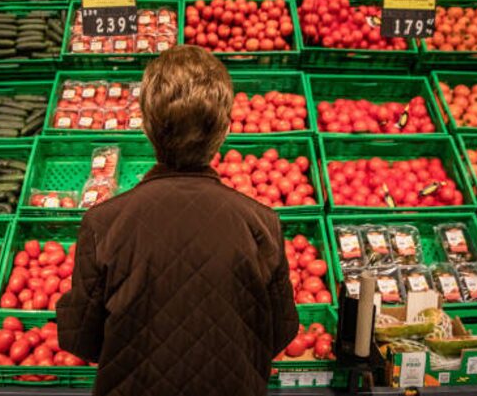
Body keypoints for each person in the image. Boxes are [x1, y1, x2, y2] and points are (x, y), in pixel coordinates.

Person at [57, 45, 299, 396]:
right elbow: (280, 332)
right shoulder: (261, 224)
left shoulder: (103, 223)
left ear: (146, 128)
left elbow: (82, 338)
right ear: (225, 130)